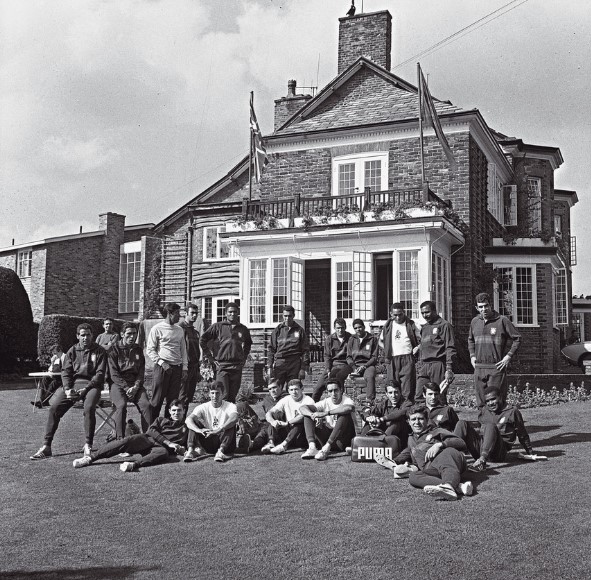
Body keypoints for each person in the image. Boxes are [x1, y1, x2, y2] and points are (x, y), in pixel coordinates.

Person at [30, 324, 108, 460]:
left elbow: (100, 374)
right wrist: (67, 389)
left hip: (92, 386)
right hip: (74, 385)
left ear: (92, 336)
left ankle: (88, 445)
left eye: (88, 335)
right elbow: (66, 372)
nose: (85, 337)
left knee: (89, 408)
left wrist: (86, 388)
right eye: (82, 335)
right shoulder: (72, 350)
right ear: (77, 336)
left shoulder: (100, 351)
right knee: (54, 409)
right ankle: (46, 446)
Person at [376, 404, 473, 501]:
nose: (417, 422)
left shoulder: (436, 431)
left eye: (420, 419)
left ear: (427, 420)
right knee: (413, 477)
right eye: (413, 419)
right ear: (408, 422)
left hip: (451, 460)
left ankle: (449, 485)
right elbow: (416, 462)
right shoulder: (411, 439)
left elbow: (460, 442)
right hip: (433, 468)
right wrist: (407, 466)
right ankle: (457, 487)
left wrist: (440, 445)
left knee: (447, 452)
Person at [72, 399, 188, 472]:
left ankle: (133, 465)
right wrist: (169, 442)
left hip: (160, 448)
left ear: (184, 411)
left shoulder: (186, 428)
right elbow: (151, 431)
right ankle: (90, 458)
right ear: (169, 411)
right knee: (126, 441)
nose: (176, 413)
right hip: (147, 440)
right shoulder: (161, 420)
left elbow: (191, 446)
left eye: (179, 410)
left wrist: (183, 450)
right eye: (174, 410)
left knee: (163, 453)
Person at [457, 389, 540, 472]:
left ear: (500, 397)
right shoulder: (485, 410)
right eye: (487, 401)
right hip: (482, 448)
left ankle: (481, 462)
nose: (490, 403)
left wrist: (530, 452)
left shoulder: (512, 411)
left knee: (490, 426)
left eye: (493, 399)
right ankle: (451, 455)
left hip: (498, 452)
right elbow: (480, 429)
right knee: (462, 423)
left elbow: (522, 433)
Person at [468, 292, 521, 407]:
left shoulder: (502, 321)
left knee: (496, 402)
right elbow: (470, 340)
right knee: (481, 403)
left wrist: (508, 356)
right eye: (481, 307)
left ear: (490, 305)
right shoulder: (474, 322)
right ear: (477, 308)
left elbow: (517, 339)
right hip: (479, 367)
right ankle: (483, 419)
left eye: (486, 306)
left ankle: (500, 419)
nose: (484, 309)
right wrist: (472, 356)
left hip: (496, 367)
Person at [200, 302, 252, 403]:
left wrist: (244, 358)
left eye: (235, 312)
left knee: (232, 397)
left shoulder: (243, 329)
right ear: (225, 313)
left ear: (238, 313)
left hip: (236, 366)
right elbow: (203, 340)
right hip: (222, 366)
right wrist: (210, 358)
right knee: (223, 395)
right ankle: (220, 413)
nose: (232, 314)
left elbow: (248, 344)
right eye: (230, 312)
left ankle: (231, 414)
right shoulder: (218, 327)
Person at [108, 322, 152, 438]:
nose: (132, 336)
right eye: (129, 333)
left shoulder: (138, 349)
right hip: (118, 384)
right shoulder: (113, 349)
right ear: (122, 334)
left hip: (135, 384)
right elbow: (113, 374)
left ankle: (148, 438)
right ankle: (120, 439)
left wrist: (136, 386)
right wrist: (126, 388)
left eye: (134, 333)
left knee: (146, 405)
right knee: (121, 406)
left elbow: (141, 371)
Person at [146, 303, 188, 421]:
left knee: (172, 402)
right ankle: (152, 427)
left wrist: (184, 368)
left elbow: (183, 350)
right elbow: (150, 350)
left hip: (177, 368)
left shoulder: (179, 330)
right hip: (162, 368)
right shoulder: (157, 329)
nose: (180, 316)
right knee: (157, 400)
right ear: (170, 313)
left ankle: (169, 427)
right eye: (177, 313)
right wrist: (162, 363)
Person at [299, 380, 356, 461]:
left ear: (341, 390)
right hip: (328, 438)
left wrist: (325, 413)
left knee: (344, 415)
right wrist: (313, 416)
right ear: (327, 393)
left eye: (336, 390)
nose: (333, 394)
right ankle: (312, 447)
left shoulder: (347, 400)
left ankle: (326, 449)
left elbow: (349, 408)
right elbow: (302, 408)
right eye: (330, 391)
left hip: (343, 440)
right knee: (307, 415)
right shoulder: (326, 401)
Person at [183, 382, 238, 462]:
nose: (214, 396)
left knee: (231, 423)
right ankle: (190, 451)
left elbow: (234, 418)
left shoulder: (230, 406)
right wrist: (199, 430)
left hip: (225, 441)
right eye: (212, 393)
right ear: (209, 394)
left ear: (223, 394)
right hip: (209, 440)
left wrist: (219, 429)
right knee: (193, 422)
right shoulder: (203, 407)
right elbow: (188, 420)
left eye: (217, 393)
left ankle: (220, 452)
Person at [379, 303, 421, 402]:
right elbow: (380, 341)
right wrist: (386, 349)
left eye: (400, 314)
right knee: (393, 386)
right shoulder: (388, 325)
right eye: (395, 315)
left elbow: (422, 340)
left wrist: (417, 347)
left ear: (404, 312)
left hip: (407, 358)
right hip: (392, 358)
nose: (398, 317)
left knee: (407, 387)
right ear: (391, 314)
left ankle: (407, 407)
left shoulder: (412, 324)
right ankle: (395, 408)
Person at [416, 301, 456, 403]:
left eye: (427, 312)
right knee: (420, 396)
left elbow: (450, 347)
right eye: (422, 313)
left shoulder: (444, 325)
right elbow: (424, 346)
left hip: (438, 365)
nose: (425, 315)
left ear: (434, 311)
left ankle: (442, 413)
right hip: (424, 365)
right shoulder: (425, 327)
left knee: (438, 396)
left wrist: (449, 369)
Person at [261, 379, 314, 454]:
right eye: (291, 390)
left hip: (302, 435)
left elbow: (302, 417)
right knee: (274, 415)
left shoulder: (308, 400)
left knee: (301, 421)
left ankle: (284, 445)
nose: (294, 392)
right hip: (288, 431)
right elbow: (269, 412)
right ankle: (271, 443)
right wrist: (273, 422)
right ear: (288, 391)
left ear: (302, 389)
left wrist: (287, 423)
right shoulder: (286, 399)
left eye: (296, 389)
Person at [332, 319, 379, 402]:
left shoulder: (372, 339)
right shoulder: (352, 339)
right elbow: (348, 357)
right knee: (339, 375)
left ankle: (370, 401)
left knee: (370, 376)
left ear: (364, 327)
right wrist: (354, 368)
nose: (358, 330)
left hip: (368, 365)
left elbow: (374, 357)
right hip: (354, 365)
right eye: (355, 328)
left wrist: (365, 366)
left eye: (360, 327)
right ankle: (341, 399)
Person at [268, 305, 310, 389]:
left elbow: (305, 351)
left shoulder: (300, 330)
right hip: (280, 363)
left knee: (293, 389)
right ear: (282, 316)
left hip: (294, 363)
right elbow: (271, 349)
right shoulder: (278, 330)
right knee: (277, 388)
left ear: (293, 316)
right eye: (285, 316)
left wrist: (303, 368)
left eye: (289, 316)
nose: (287, 318)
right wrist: (269, 367)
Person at [312, 318, 352, 402]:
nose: (340, 330)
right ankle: (313, 405)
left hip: (346, 364)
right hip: (334, 365)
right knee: (318, 387)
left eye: (342, 328)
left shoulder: (351, 338)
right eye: (338, 328)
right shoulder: (330, 339)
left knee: (338, 380)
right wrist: (328, 369)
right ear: (334, 328)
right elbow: (327, 356)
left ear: (345, 327)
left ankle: (339, 402)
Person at [244, 380, 288, 453]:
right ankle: (252, 444)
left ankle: (257, 444)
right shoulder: (267, 399)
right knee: (242, 406)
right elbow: (268, 413)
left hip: (282, 427)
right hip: (269, 425)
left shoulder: (287, 398)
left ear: (280, 386)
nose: (272, 391)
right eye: (270, 389)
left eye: (274, 387)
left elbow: (277, 414)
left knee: (265, 429)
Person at [178, 303, 203, 413]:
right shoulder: (180, 329)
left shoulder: (195, 331)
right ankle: (176, 421)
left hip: (194, 367)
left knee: (188, 397)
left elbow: (195, 351)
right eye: (192, 313)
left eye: (196, 313)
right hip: (184, 368)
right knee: (181, 397)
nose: (194, 315)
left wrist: (198, 370)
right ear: (185, 314)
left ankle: (183, 421)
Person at [32, 343, 65, 408]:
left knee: (54, 384)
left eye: (55, 353)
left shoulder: (65, 357)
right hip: (55, 375)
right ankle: (43, 401)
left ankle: (42, 402)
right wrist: (52, 362)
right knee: (45, 378)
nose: (54, 355)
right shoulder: (56, 358)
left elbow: (66, 369)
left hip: (62, 377)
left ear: (60, 351)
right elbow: (51, 369)